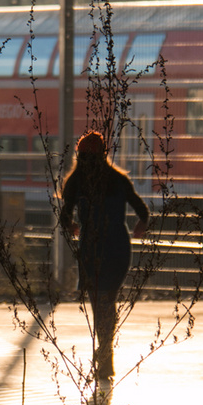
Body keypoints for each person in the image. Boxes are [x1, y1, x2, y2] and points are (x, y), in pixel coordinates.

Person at [60, 130, 149, 380]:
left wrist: (73, 227)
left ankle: (105, 356)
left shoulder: (76, 181)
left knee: (99, 303)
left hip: (92, 246)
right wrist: (141, 225)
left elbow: (64, 215)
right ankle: (105, 355)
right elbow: (142, 209)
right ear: (104, 154)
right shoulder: (118, 179)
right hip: (118, 245)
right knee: (107, 300)